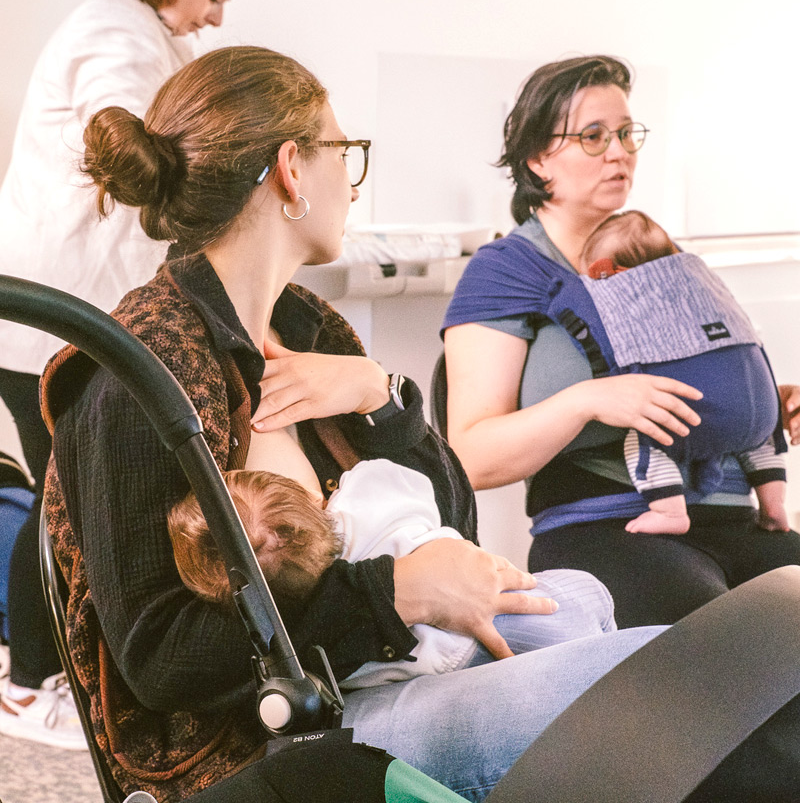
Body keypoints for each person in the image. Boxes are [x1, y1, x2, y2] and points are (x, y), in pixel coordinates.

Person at [38, 47, 800, 802]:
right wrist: (393, 592)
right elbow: (160, 660)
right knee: (698, 698)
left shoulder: (309, 327)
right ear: (292, 169)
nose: (353, 182)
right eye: (345, 152)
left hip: (402, 673)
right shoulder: (138, 369)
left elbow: (452, 519)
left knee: (721, 675)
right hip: (295, 737)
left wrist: (382, 398)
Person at [0, 0, 254, 750]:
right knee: (63, 505)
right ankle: (27, 686)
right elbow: (128, 134)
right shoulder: (114, 33)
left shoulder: (145, 34)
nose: (216, 15)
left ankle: (49, 677)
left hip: (73, 312)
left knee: (68, 500)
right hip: (54, 313)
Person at [442, 54, 800, 631]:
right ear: (537, 158)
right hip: (608, 524)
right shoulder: (507, 272)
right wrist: (588, 400)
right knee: (733, 640)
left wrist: (762, 404)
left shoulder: (658, 253)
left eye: (627, 133)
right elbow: (470, 457)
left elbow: (697, 375)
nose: (619, 152)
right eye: (593, 136)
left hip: (739, 518)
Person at [168, 461, 618, 689]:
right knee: (592, 600)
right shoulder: (367, 491)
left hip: (450, 662)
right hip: (502, 611)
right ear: (308, 496)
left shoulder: (330, 625)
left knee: (594, 666)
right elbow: (417, 480)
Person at [580, 209, 788, 536]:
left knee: (644, 439)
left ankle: (669, 511)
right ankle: (774, 506)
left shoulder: (621, 301)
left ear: (607, 272)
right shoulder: (705, 286)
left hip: (690, 418)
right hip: (760, 410)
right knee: (761, 441)